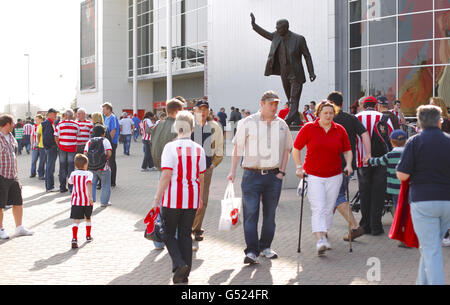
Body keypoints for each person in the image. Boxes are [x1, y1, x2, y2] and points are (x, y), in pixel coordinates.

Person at [228, 91, 293, 264]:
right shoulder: (248, 122)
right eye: (271, 104)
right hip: (251, 175)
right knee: (251, 214)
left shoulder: (282, 124)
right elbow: (237, 148)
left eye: (276, 104)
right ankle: (251, 251)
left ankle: (265, 247)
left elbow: (287, 149)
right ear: (262, 103)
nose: (274, 107)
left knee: (270, 214)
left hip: (273, 176)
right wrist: (232, 171)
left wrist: (282, 172)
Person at [151, 110, 206, 284]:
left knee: (167, 233)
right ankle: (183, 274)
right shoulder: (198, 149)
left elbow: (166, 175)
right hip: (191, 198)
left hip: (172, 198)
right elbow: (201, 177)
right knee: (184, 234)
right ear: (191, 127)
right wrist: (200, 199)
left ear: (177, 127)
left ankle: (179, 264)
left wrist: (156, 199)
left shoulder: (170, 147)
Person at [397, 105, 450, 285]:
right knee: (430, 247)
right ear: (439, 121)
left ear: (419, 122)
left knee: (431, 249)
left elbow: (402, 175)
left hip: (423, 201)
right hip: (447, 202)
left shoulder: (414, 142)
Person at [293, 101, 352, 256]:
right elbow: (296, 148)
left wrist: (349, 164)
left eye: (331, 113)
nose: (328, 115)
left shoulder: (340, 130)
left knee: (329, 208)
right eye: (325, 113)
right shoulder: (308, 128)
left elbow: (347, 150)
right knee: (318, 207)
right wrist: (299, 167)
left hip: (335, 175)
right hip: (313, 175)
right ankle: (320, 240)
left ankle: (324, 233)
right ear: (318, 113)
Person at [327, 91, 370, 242]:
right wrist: (367, 154)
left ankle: (354, 226)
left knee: (335, 196)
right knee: (331, 197)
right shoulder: (351, 118)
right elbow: (364, 134)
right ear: (342, 103)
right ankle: (323, 228)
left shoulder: (327, 117)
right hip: (348, 164)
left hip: (331, 165)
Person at [355, 96, 393, 236]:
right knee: (378, 193)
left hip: (362, 160)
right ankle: (376, 226)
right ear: (376, 105)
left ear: (363, 105)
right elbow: (391, 138)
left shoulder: (357, 117)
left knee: (364, 193)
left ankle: (365, 225)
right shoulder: (384, 117)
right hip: (381, 161)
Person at [150, 97, 185, 250]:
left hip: (161, 168)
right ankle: (175, 238)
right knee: (175, 206)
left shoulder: (159, 125)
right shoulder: (179, 126)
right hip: (174, 171)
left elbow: (152, 143)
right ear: (177, 111)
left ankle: (157, 239)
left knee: (160, 204)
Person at [191, 100, 224, 247]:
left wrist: (213, 164)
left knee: (202, 200)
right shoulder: (188, 125)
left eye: (206, 109)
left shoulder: (214, 127)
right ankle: (187, 228)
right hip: (188, 169)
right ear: (194, 110)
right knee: (188, 198)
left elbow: (220, 149)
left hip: (205, 169)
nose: (203, 112)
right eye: (200, 109)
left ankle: (197, 228)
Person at [0, 114, 34, 240]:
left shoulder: (10, 136)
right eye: (12, 123)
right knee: (0, 205)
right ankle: (1, 229)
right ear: (7, 124)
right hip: (1, 175)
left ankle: (19, 228)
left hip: (13, 175)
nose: (14, 125)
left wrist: (16, 171)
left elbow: (13, 155)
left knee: (18, 202)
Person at [68, 154, 94, 249]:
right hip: (86, 201)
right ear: (85, 165)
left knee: (76, 220)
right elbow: (89, 183)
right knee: (88, 218)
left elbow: (70, 182)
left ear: (75, 165)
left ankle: (74, 238)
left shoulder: (73, 174)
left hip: (76, 201)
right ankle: (88, 235)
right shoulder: (89, 174)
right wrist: (90, 197)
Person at [84, 125, 112, 208]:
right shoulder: (105, 140)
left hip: (91, 167)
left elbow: (85, 154)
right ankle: (104, 202)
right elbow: (109, 153)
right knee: (105, 184)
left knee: (92, 184)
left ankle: (91, 201)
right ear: (103, 133)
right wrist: (104, 159)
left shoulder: (89, 141)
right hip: (104, 167)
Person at [54, 109, 80, 193]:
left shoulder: (60, 124)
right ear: (72, 116)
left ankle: (62, 187)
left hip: (62, 148)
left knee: (62, 167)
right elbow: (78, 134)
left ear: (65, 115)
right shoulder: (76, 124)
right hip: (72, 148)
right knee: (71, 167)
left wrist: (59, 145)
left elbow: (56, 137)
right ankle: (71, 187)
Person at [102, 102, 120, 187]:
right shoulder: (106, 118)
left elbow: (113, 130)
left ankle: (113, 181)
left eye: (104, 109)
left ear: (109, 109)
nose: (103, 111)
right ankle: (108, 180)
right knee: (108, 161)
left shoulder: (112, 117)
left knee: (112, 161)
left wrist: (109, 142)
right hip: (107, 142)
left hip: (112, 142)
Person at [42, 108, 59, 192]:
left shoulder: (50, 122)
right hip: (51, 148)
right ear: (49, 114)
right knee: (50, 168)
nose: (55, 115)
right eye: (54, 114)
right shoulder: (48, 123)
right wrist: (51, 146)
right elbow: (46, 137)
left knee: (49, 167)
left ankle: (49, 186)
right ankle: (50, 187)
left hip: (50, 148)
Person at [30, 114, 46, 179]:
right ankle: (32, 173)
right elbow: (32, 136)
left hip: (42, 146)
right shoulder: (34, 126)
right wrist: (32, 144)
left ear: (41, 119)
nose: (36, 121)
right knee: (34, 160)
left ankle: (41, 174)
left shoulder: (43, 126)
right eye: (35, 120)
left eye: (37, 119)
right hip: (35, 146)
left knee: (42, 161)